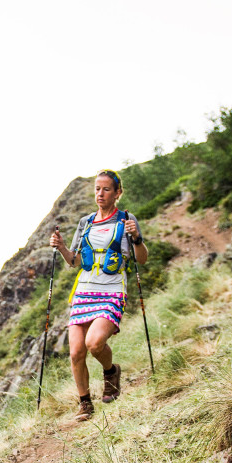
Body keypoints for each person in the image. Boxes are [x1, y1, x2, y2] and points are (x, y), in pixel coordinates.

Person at [49, 170, 149, 421]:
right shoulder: (86, 223)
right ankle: (85, 403)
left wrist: (136, 237)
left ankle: (111, 371)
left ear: (117, 193)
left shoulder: (126, 220)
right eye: (97, 189)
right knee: (75, 352)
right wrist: (61, 247)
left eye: (106, 189)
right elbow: (74, 260)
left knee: (94, 343)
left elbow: (142, 259)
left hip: (112, 291)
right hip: (83, 291)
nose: (100, 194)